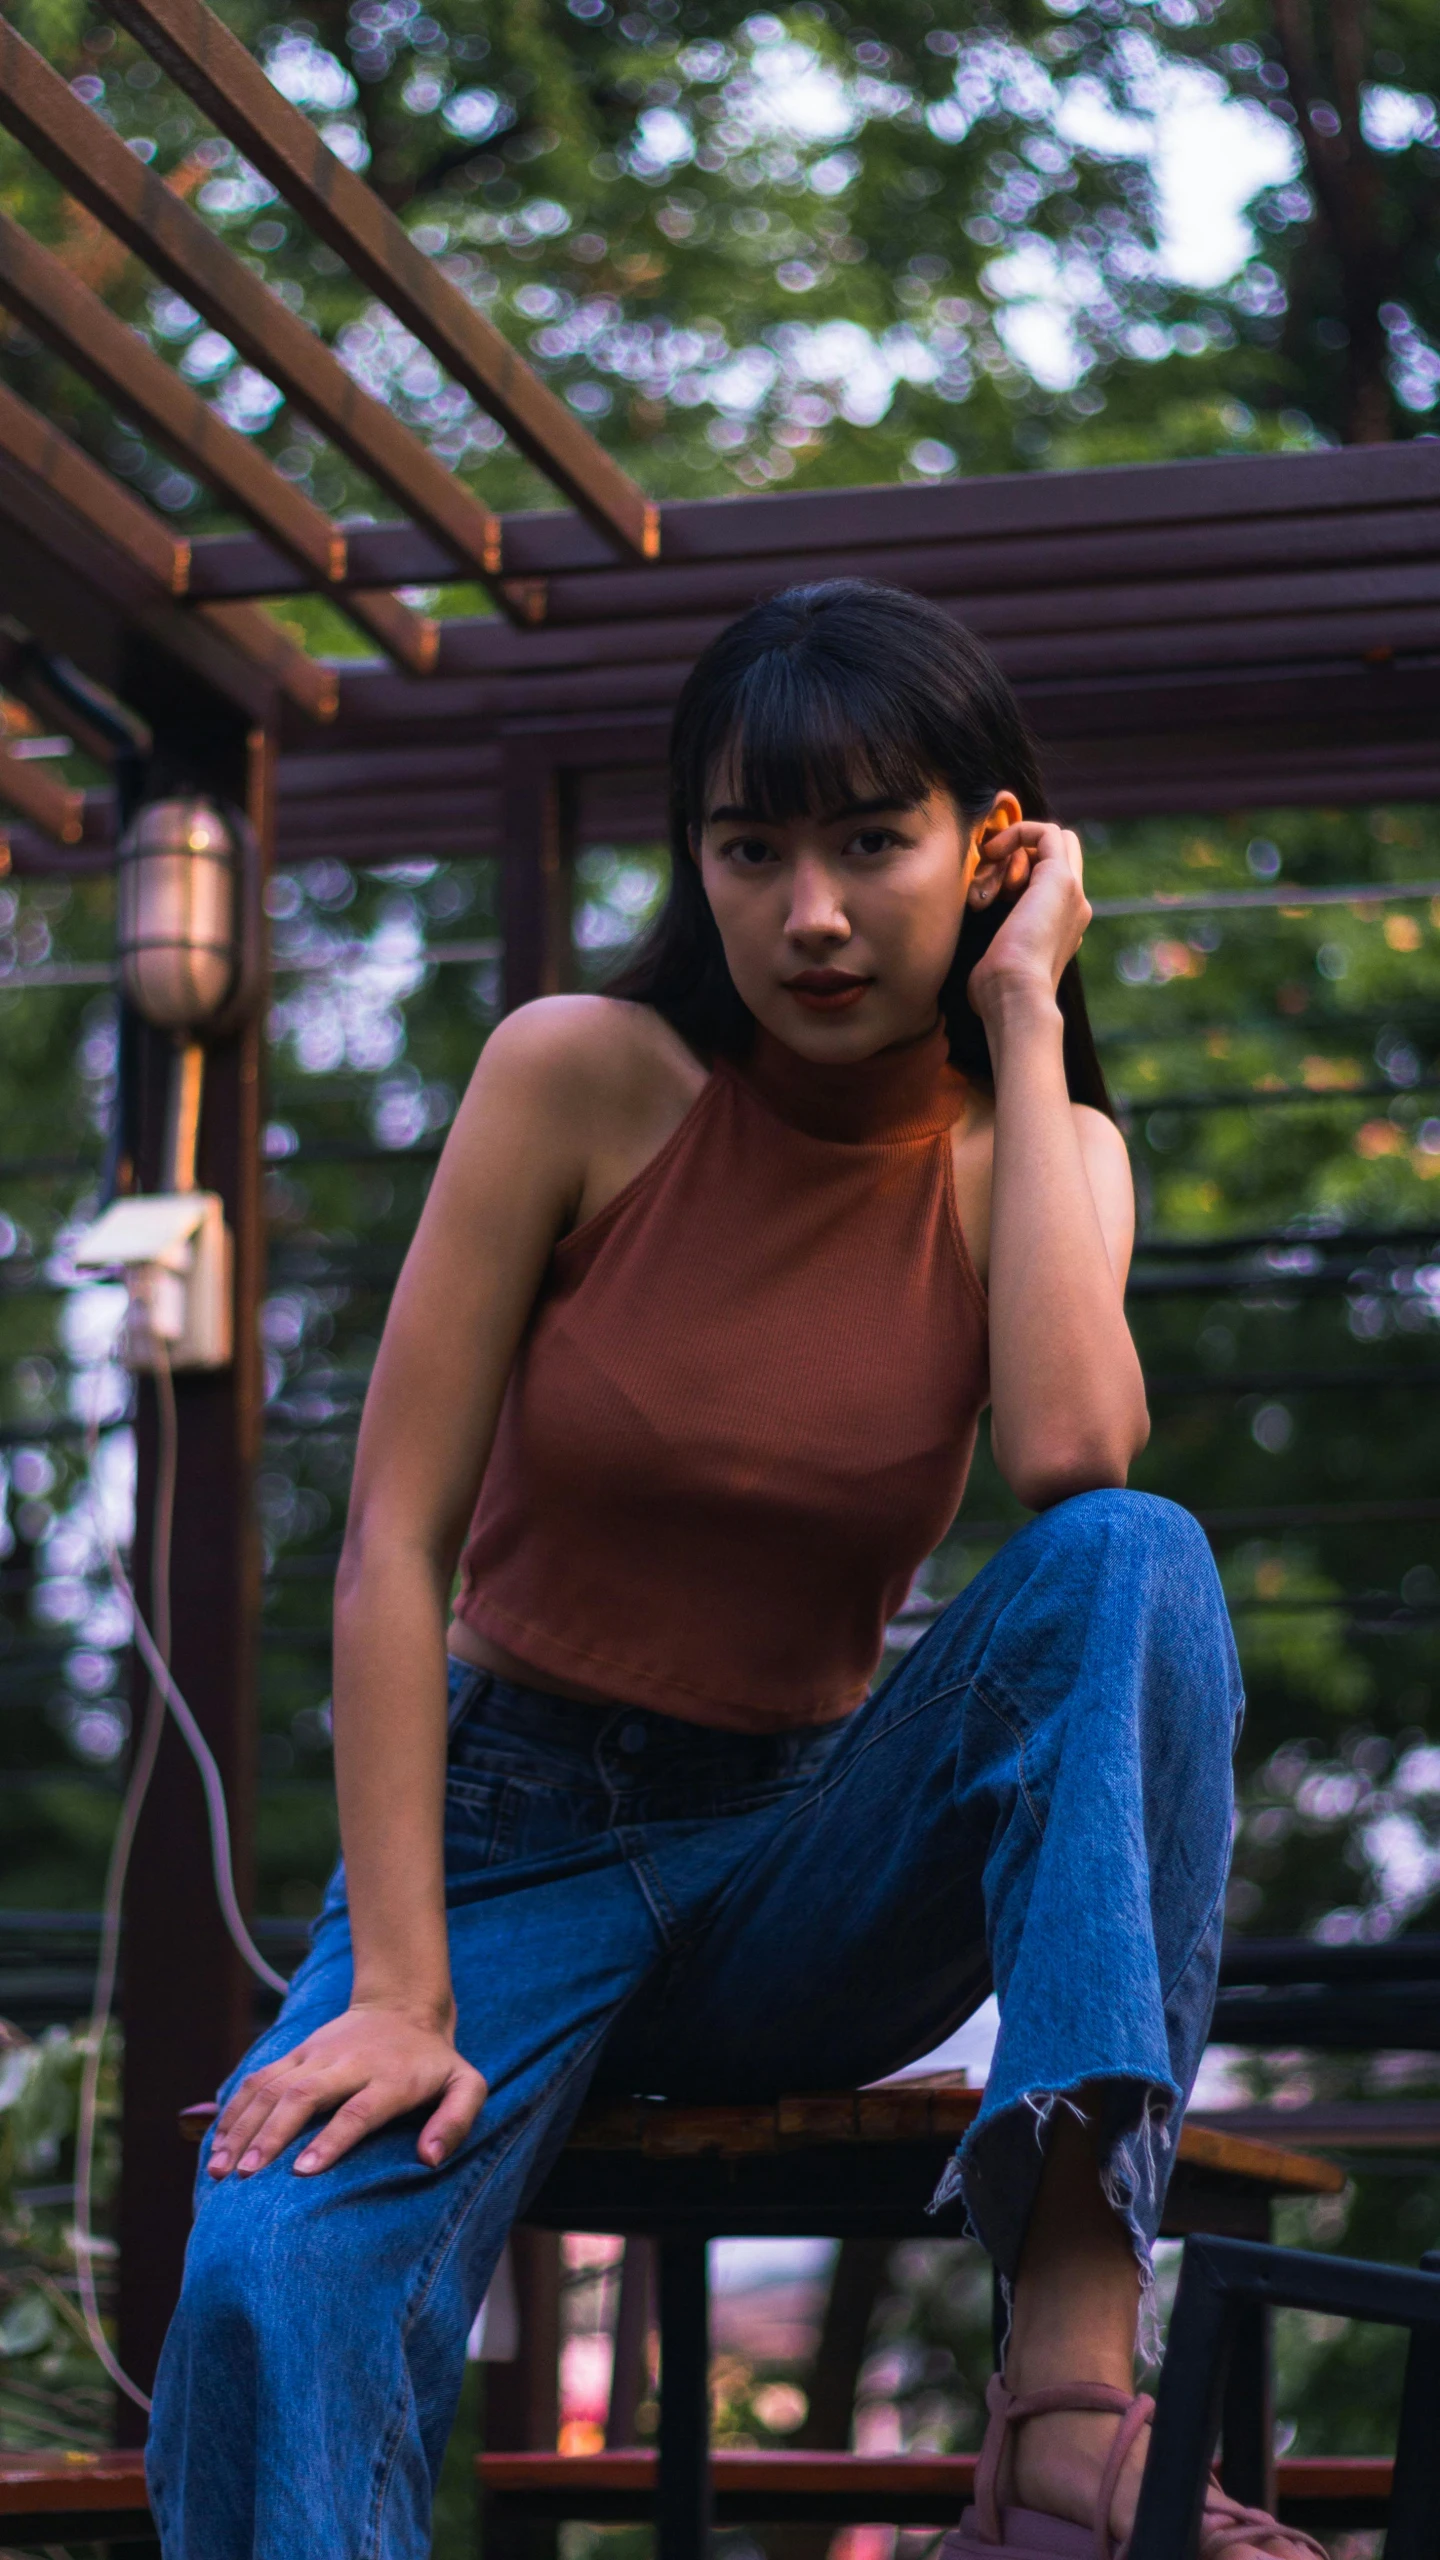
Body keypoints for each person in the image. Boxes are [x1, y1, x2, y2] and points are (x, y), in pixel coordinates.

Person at [147, 582, 1315, 2560]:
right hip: (503, 1856)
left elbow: (1069, 1461)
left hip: (801, 1870)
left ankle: (1065, 2400)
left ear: (995, 845)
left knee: (1135, 1553)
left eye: (875, 839)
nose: (815, 913)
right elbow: (391, 1541)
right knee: (265, 2264)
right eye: (752, 847)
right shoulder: (575, 1076)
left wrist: (1026, 1015)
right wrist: (406, 1986)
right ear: (696, 860)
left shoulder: (1040, 1152)